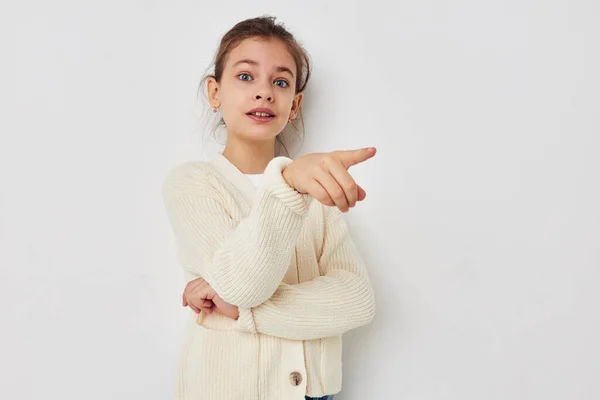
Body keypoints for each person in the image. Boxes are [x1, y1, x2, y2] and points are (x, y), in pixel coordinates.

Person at [162, 15, 377, 400]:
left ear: (294, 105)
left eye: (280, 82)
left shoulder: (317, 194)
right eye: (246, 77)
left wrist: (244, 312)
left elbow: (357, 300)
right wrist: (290, 183)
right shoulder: (193, 184)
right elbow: (242, 283)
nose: (264, 92)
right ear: (215, 92)